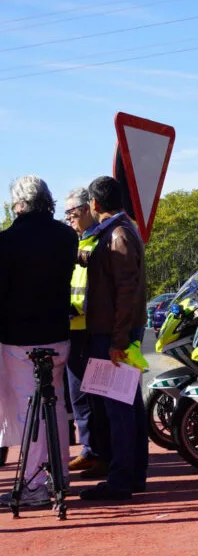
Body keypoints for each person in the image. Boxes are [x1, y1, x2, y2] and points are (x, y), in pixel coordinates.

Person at [0, 176, 78, 507]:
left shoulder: (7, 241)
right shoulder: (66, 236)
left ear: (18, 203)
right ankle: (59, 474)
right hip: (58, 333)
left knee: (27, 411)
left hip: (19, 339)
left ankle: (33, 485)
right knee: (55, 404)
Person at [78, 175, 148, 502]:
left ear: (94, 204)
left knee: (119, 410)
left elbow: (126, 290)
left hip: (114, 335)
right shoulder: (119, 231)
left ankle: (121, 481)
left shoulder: (118, 234)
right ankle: (132, 476)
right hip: (118, 333)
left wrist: (118, 339)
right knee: (128, 406)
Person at [64, 188, 110, 478]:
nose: (69, 219)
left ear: (87, 209)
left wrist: (76, 308)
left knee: (92, 396)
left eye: (72, 213)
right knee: (79, 396)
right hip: (74, 329)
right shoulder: (78, 241)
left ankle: (98, 454)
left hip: (89, 330)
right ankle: (91, 450)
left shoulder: (97, 242)